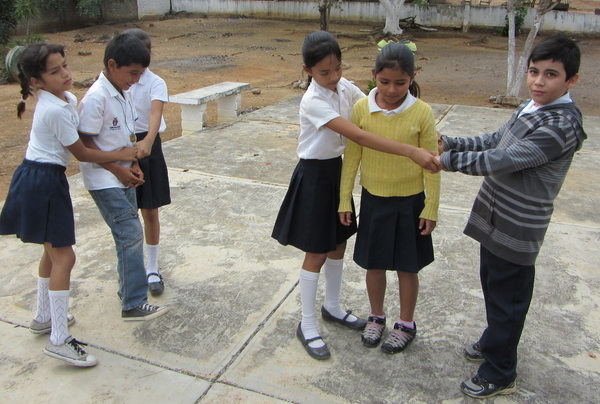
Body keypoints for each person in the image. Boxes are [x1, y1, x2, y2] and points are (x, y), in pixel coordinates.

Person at [272, 31, 442, 360]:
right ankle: (307, 324)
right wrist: (412, 150)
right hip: (315, 176)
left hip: (337, 172)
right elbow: (360, 136)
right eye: (324, 72)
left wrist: (425, 136)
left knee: (338, 245)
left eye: (338, 68)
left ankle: (332, 307)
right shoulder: (314, 100)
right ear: (307, 70)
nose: (334, 77)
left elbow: (375, 107)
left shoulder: (343, 87)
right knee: (317, 250)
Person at [437, 36, 586, 398]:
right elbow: (495, 140)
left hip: (518, 228)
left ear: (571, 81)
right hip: (496, 217)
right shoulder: (530, 107)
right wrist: (450, 142)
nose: (538, 81)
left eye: (551, 74)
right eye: (534, 72)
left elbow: (505, 159)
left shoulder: (562, 124)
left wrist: (445, 161)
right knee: (493, 285)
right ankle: (494, 341)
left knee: (509, 298)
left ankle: (501, 371)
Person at [0, 42, 139, 367]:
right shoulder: (55, 109)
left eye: (64, 65)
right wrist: (123, 155)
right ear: (36, 81)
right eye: (54, 71)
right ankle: (59, 339)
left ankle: (42, 316)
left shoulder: (66, 99)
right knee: (65, 257)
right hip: (43, 182)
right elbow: (83, 154)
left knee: (51, 254)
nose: (65, 73)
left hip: (40, 178)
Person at [339, 42, 440, 355]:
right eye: (384, 82)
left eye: (401, 82)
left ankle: (406, 324)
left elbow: (432, 163)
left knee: (408, 267)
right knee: (375, 264)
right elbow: (352, 158)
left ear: (412, 77)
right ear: (373, 76)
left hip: (410, 202)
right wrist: (345, 199)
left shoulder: (422, 112)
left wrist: (431, 206)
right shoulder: (361, 110)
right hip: (374, 200)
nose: (392, 89)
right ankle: (376, 316)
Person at [77, 34, 169, 321]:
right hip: (105, 180)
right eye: (132, 73)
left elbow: (129, 135)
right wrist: (118, 168)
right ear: (113, 65)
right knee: (130, 234)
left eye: (140, 74)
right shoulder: (96, 98)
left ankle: (128, 289)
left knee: (126, 238)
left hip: (124, 174)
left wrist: (134, 164)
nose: (135, 79)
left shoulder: (122, 93)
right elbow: (85, 144)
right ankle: (133, 303)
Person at [123, 28, 171, 295]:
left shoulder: (155, 82)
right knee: (125, 212)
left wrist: (148, 142)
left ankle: (152, 267)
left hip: (147, 145)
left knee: (150, 210)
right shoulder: (119, 81)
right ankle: (131, 265)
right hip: (121, 144)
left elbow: (155, 112)